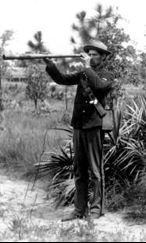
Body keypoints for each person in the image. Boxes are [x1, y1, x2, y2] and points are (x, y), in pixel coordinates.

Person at [43, 40, 114, 221]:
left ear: (104, 57)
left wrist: (86, 66)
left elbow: (98, 86)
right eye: (89, 54)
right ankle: (79, 210)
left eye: (95, 54)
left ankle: (97, 210)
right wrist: (50, 64)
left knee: (96, 171)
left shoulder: (107, 74)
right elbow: (62, 79)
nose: (91, 57)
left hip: (94, 126)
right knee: (80, 170)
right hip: (79, 126)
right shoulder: (84, 72)